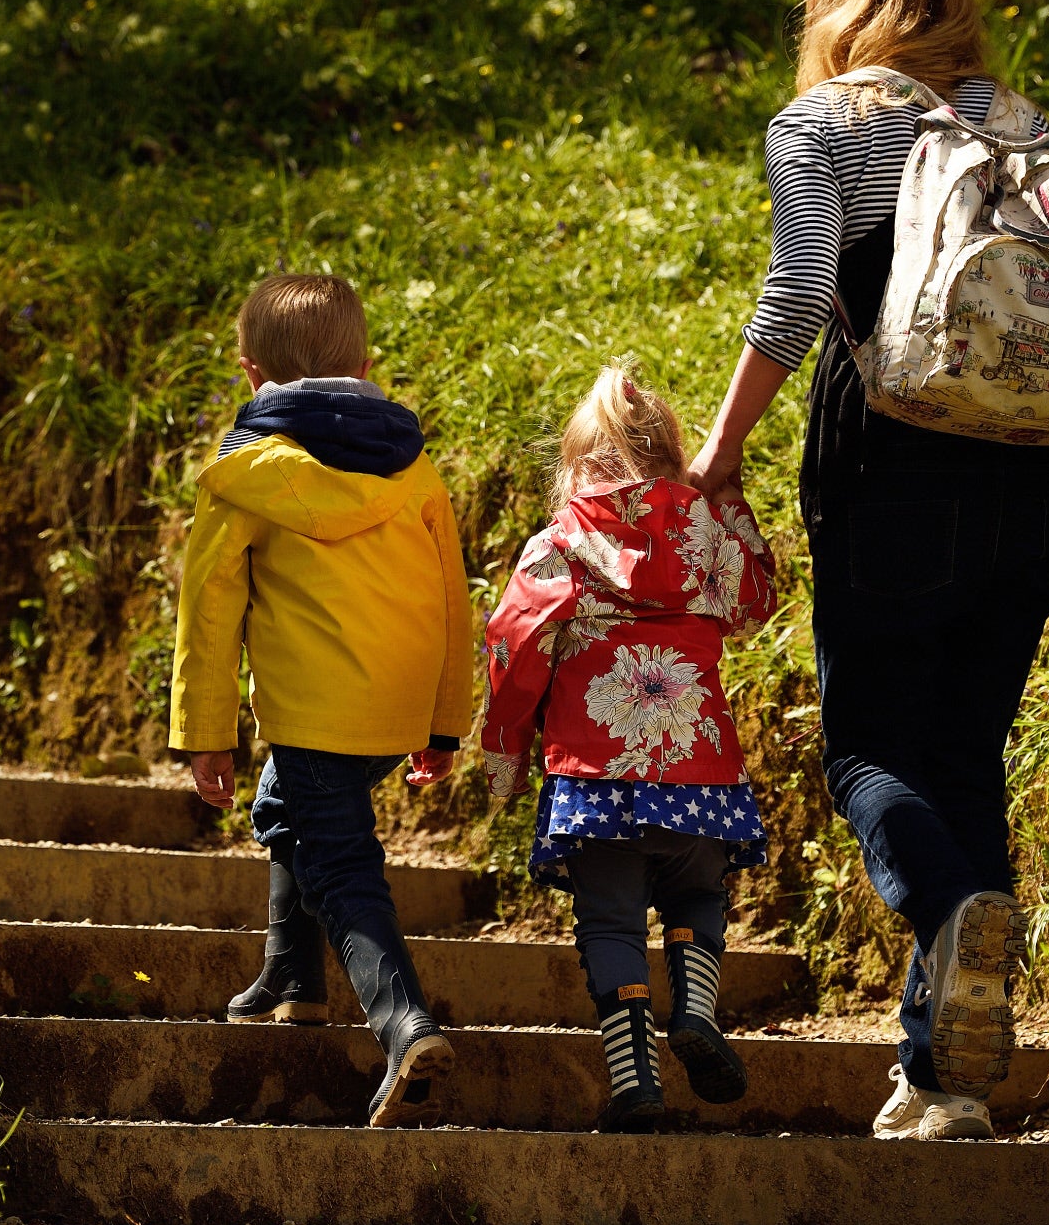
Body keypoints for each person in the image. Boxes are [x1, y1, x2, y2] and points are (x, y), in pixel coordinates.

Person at [682, 0, 1049, 1143]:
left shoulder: (820, 123)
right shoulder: (1029, 128)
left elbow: (799, 289)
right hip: (1036, 460)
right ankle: (944, 1078)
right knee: (963, 748)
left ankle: (953, 903)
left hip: (891, 453)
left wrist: (717, 450)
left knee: (866, 746)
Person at [169, 271, 475, 1129]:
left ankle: (404, 1024)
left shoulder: (242, 475)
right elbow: (455, 597)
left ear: (248, 374)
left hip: (314, 708)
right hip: (401, 702)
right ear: (368, 365)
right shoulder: (415, 466)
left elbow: (210, 611)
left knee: (341, 863)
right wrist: (447, 720)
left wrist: (204, 733)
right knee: (289, 806)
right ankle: (292, 977)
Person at [478, 364, 777, 1132]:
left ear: (577, 466)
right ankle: (699, 1014)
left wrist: (505, 753)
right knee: (698, 897)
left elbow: (514, 650)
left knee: (609, 927)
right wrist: (729, 500)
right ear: (674, 464)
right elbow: (755, 603)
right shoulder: (704, 533)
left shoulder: (558, 547)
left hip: (595, 780)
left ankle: (635, 1082)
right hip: (699, 771)